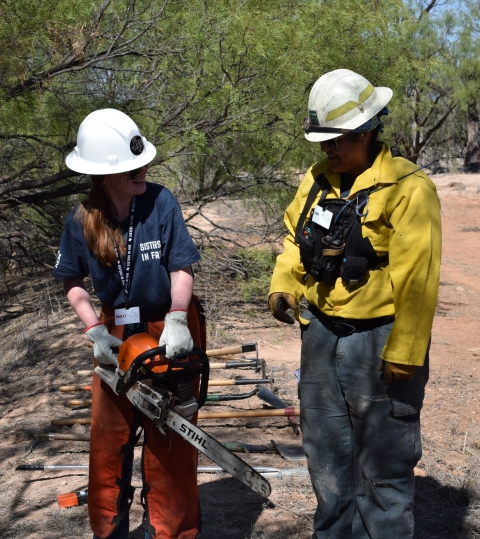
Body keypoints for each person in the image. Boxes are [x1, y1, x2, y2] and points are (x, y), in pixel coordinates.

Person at [268, 69, 441, 539]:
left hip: (380, 340)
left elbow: (418, 277)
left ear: (366, 132)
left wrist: (405, 349)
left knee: (383, 468)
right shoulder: (318, 179)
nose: (328, 150)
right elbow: (293, 236)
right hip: (321, 335)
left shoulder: (408, 187)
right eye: (322, 141)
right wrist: (284, 281)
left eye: (336, 140)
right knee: (326, 457)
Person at [53, 109, 205, 539]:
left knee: (171, 439)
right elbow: (72, 280)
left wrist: (177, 316)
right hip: (115, 332)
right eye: (130, 167)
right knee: (108, 441)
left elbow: (181, 267)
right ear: (105, 175)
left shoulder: (160, 201)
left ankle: (171, 531)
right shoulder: (81, 220)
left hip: (165, 324)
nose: (144, 170)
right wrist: (92, 330)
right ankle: (110, 530)